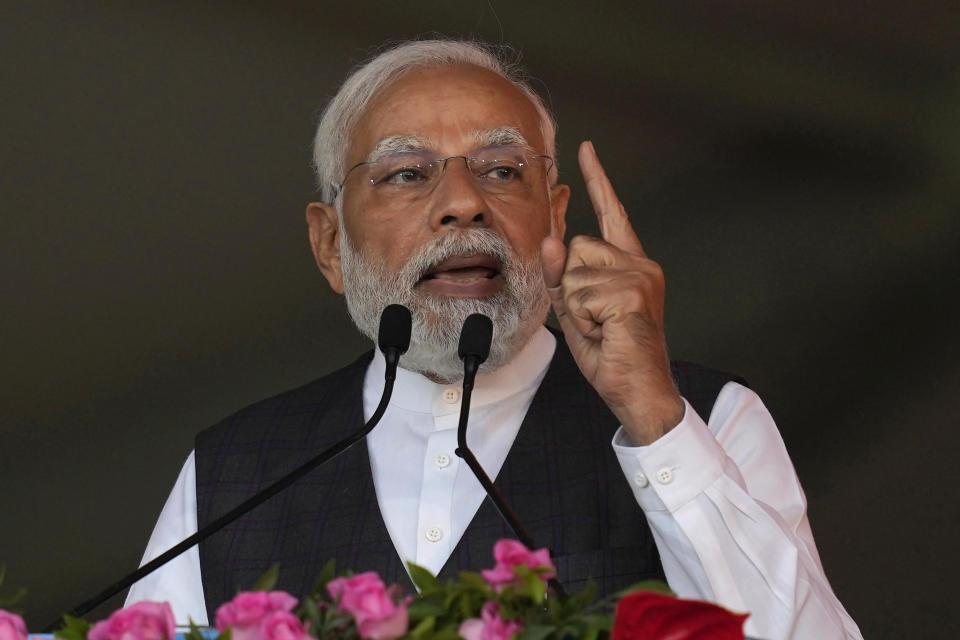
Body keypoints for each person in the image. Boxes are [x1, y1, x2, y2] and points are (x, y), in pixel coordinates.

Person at [127, 39, 862, 639]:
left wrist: (653, 419)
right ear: (329, 246)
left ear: (554, 217)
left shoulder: (707, 416)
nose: (462, 203)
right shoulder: (235, 469)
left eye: (502, 170)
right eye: (407, 173)